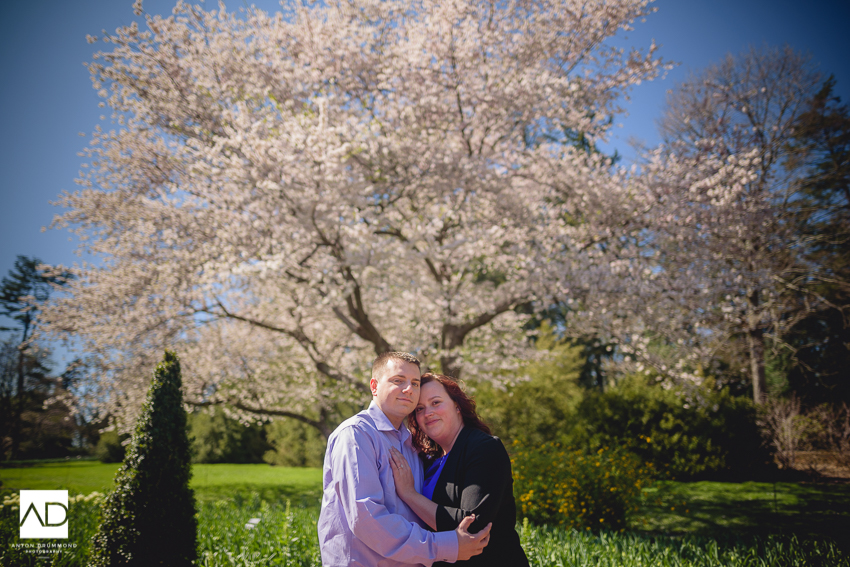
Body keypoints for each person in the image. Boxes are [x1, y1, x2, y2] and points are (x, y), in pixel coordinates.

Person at [318, 352, 492, 567]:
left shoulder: (411, 444)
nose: (409, 389)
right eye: (398, 381)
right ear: (374, 386)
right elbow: (366, 519)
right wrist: (446, 545)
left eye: (415, 383)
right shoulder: (356, 435)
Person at [388, 373, 529, 567]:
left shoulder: (484, 448)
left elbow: (473, 524)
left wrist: (410, 494)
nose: (428, 412)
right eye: (420, 409)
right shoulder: (430, 460)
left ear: (457, 405)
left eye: (436, 402)